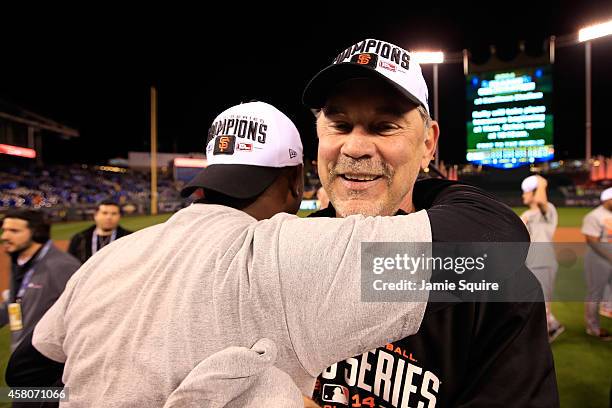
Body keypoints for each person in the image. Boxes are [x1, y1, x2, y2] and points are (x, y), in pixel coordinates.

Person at [7, 101, 436, 407]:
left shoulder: (108, 258)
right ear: (292, 182)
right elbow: (488, 267)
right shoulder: (285, 251)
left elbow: (23, 377)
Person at [302, 38, 559, 407]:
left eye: (384, 126)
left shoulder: (495, 283)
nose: (355, 148)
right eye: (339, 124)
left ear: (428, 144)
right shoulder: (282, 253)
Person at [0, 210, 80, 351]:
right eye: (4, 230)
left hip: (46, 361)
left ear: (36, 232)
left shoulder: (62, 266)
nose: (4, 236)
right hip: (22, 353)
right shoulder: (19, 259)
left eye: (14, 231)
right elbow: (16, 301)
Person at [520, 174, 564, 342]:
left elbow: (541, 201)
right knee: (533, 300)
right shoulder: (525, 214)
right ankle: (553, 326)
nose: (522, 195)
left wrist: (540, 184)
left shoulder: (548, 210)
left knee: (542, 302)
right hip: (530, 262)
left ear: (533, 192)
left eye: (525, 192)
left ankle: (541, 339)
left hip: (544, 262)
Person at [580, 186, 612, 340]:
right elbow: (591, 240)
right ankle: (593, 327)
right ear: (607, 199)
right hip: (598, 260)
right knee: (595, 293)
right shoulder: (594, 216)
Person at [67, 200, 132, 264]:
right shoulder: (79, 239)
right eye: (104, 213)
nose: (109, 217)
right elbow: (70, 264)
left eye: (114, 214)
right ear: (95, 215)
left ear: (119, 216)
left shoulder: (130, 238)